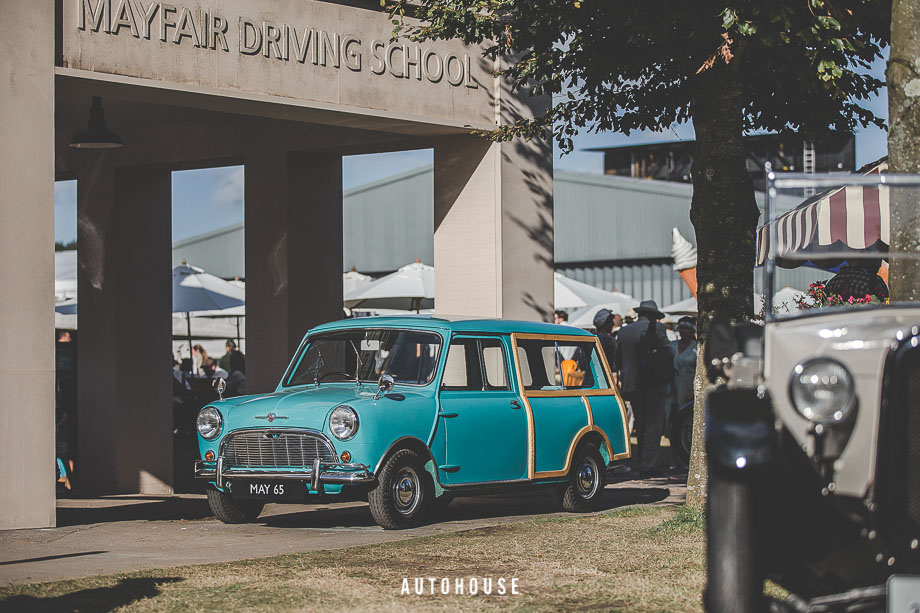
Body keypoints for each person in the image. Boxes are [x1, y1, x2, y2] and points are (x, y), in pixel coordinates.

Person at [616, 299, 673, 478]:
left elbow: (617, 360)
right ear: (654, 315)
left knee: (639, 424)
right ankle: (648, 464)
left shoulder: (624, 332)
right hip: (654, 383)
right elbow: (669, 353)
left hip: (632, 385)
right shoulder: (658, 330)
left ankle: (640, 460)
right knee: (653, 425)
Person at [669, 317, 698, 427]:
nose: (684, 331)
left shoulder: (696, 348)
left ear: (692, 331)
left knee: (685, 420)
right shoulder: (672, 346)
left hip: (688, 389)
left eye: (686, 329)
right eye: (681, 328)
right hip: (671, 390)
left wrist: (694, 390)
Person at [823, 258, 889, 301]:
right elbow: (887, 305)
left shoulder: (832, 282)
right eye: (877, 262)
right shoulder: (874, 281)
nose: (879, 266)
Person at [593, 308, 619, 373]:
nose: (613, 324)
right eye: (610, 321)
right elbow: (615, 364)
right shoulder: (609, 341)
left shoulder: (592, 339)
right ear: (605, 323)